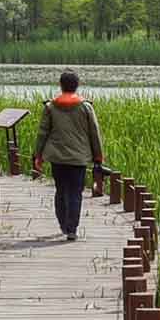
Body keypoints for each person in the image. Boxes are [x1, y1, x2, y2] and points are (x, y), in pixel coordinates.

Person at [36, 69, 105, 241]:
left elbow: (42, 133)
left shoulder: (50, 107)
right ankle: (72, 228)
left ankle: (63, 224)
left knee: (60, 190)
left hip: (57, 158)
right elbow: (94, 133)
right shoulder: (86, 107)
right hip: (79, 159)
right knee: (76, 193)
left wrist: (38, 155)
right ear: (77, 85)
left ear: (60, 85)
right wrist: (98, 157)